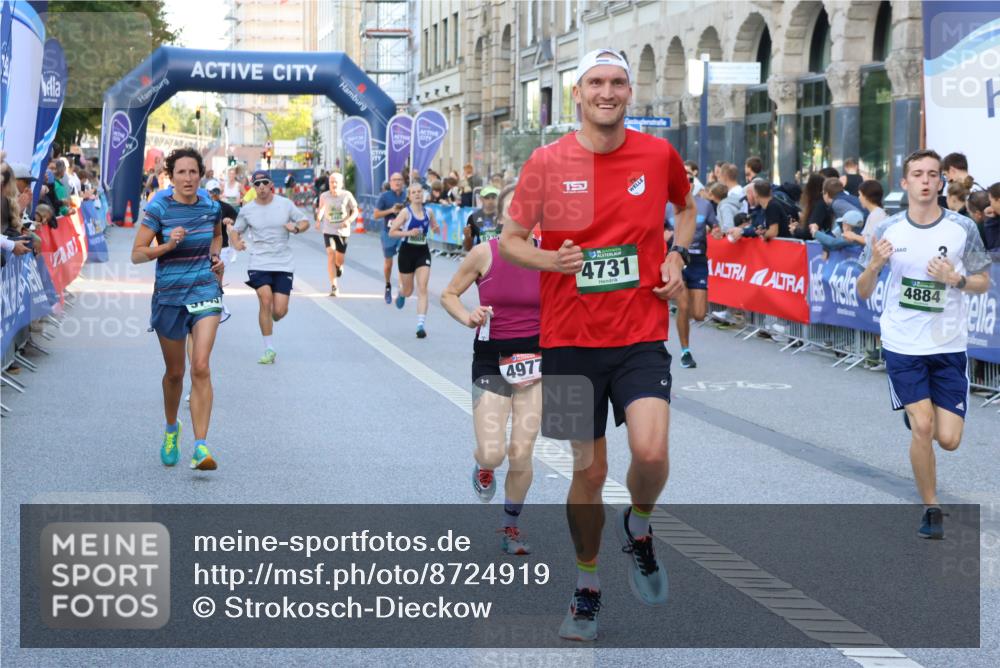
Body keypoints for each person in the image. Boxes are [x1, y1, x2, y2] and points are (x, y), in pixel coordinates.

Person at [500, 48, 695, 641]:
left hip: (640, 334)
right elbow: (510, 240)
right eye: (595, 83)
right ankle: (586, 584)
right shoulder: (547, 161)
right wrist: (551, 261)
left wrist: (676, 256)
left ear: (629, 92)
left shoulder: (657, 154)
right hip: (567, 340)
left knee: (651, 454)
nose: (606, 92)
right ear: (578, 93)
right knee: (589, 472)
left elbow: (686, 209)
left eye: (616, 82)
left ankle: (638, 523)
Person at [857, 149, 991, 539]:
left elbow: (984, 282)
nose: (926, 181)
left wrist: (956, 279)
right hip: (903, 343)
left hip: (948, 343)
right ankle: (931, 508)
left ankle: (918, 417)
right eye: (918, 174)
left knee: (948, 439)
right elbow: (863, 291)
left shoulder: (962, 228)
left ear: (941, 181)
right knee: (924, 426)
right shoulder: (888, 229)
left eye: (933, 174)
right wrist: (875, 265)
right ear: (905, 182)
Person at [441, 184, 541, 555]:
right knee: (494, 451)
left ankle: (510, 527)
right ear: (500, 216)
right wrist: (469, 315)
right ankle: (484, 464)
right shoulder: (485, 253)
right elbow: (449, 294)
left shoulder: (547, 255)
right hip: (491, 358)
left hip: (537, 361)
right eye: (514, 209)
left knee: (522, 450)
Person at [130, 147, 225, 472]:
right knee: (175, 374)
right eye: (181, 172)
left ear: (201, 175)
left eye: (193, 172)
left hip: (205, 291)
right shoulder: (159, 208)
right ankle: (172, 428)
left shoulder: (211, 207)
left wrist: (215, 258)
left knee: (201, 366)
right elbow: (137, 254)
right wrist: (168, 245)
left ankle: (201, 446)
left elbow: (217, 236)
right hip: (170, 296)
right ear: (171, 176)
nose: (188, 178)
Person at [230, 170, 310, 364]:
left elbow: (305, 221)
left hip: (283, 262)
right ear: (253, 187)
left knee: (279, 311)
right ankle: (269, 348)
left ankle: (273, 316)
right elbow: (235, 230)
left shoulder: (285, 204)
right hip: (259, 261)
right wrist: (237, 242)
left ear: (271, 184)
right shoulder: (248, 210)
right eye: (257, 184)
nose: (261, 187)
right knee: (265, 299)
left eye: (265, 182)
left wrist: (296, 228)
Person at [666, 181, 719, 369]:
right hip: (676, 260)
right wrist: (664, 234)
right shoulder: (666, 206)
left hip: (698, 261)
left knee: (699, 314)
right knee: (683, 306)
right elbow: (659, 228)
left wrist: (717, 231)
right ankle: (685, 351)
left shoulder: (704, 205)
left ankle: (684, 318)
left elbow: (715, 226)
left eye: (688, 181)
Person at [389, 182, 440, 338]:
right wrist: (408, 233)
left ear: (423, 194)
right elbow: (392, 232)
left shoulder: (429, 212)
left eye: (419, 192)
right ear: (409, 196)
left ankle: (420, 325)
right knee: (409, 290)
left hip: (422, 252)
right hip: (407, 252)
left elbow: (434, 226)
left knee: (422, 288)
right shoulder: (406, 212)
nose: (417, 194)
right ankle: (401, 293)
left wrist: (436, 229)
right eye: (414, 192)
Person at [315, 171, 358, 296]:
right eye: (331, 182)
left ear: (341, 184)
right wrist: (318, 220)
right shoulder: (324, 196)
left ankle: (338, 267)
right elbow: (321, 209)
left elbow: (355, 211)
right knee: (331, 254)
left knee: (339, 260)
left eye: (336, 182)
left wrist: (349, 220)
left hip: (343, 231)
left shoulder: (347, 195)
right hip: (329, 229)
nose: (333, 184)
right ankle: (334, 286)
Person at [374, 172, 407, 304]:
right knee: (388, 264)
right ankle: (388, 285)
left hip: (403, 232)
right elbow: (376, 214)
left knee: (402, 260)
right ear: (390, 182)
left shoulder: (407, 196)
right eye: (394, 180)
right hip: (388, 233)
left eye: (400, 180)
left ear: (403, 182)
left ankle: (401, 289)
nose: (397, 182)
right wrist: (391, 211)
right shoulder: (384, 196)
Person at [463, 185, 500, 251]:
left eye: (493, 197)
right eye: (487, 197)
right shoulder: (473, 218)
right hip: (483, 254)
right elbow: (468, 248)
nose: (490, 200)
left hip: (501, 255)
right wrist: (467, 237)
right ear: (481, 199)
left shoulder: (504, 216)